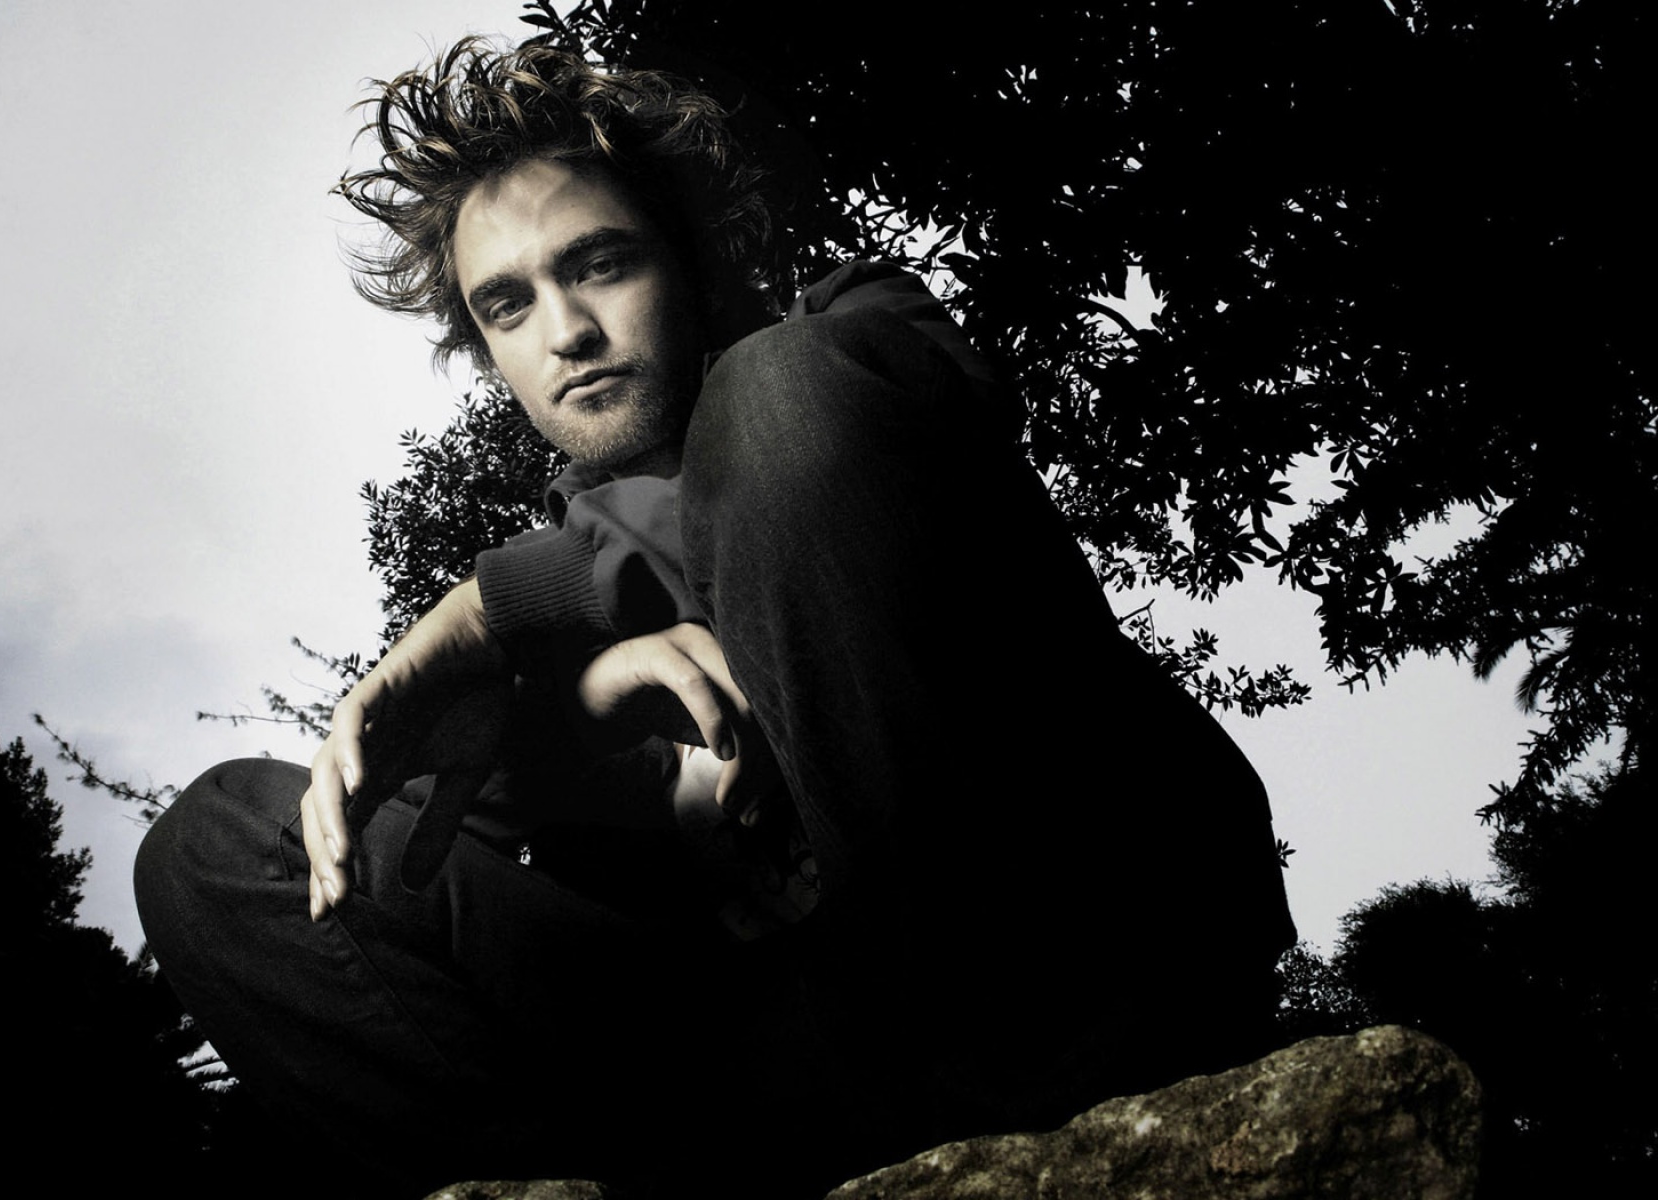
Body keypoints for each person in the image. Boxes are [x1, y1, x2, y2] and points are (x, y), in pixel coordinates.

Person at [135, 39, 1296, 1197]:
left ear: (687, 260)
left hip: (1066, 959)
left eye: (600, 264)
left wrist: (497, 603)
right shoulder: (556, 623)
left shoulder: (853, 326)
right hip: (778, 1056)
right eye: (509, 305)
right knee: (219, 843)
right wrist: (576, 709)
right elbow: (515, 844)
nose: (566, 332)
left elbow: (812, 471)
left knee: (781, 396)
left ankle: (1029, 1110)